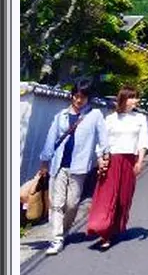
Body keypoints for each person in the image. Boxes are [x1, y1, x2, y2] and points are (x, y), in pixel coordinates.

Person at [38, 78, 109, 256]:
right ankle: (57, 238)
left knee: (72, 203)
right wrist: (44, 162)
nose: (78, 100)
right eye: (76, 96)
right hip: (59, 165)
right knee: (57, 204)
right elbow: (50, 139)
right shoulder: (61, 116)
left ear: (88, 98)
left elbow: (102, 140)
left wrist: (102, 157)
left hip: (79, 166)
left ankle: (65, 229)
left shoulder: (95, 116)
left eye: (82, 97)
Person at [86, 86, 148, 250]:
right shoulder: (111, 119)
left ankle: (114, 228)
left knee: (123, 197)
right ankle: (103, 231)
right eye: (132, 97)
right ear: (123, 99)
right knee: (107, 196)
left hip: (129, 160)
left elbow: (143, 141)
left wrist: (140, 161)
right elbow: (102, 141)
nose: (135, 100)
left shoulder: (139, 118)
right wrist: (100, 159)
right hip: (112, 159)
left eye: (136, 97)